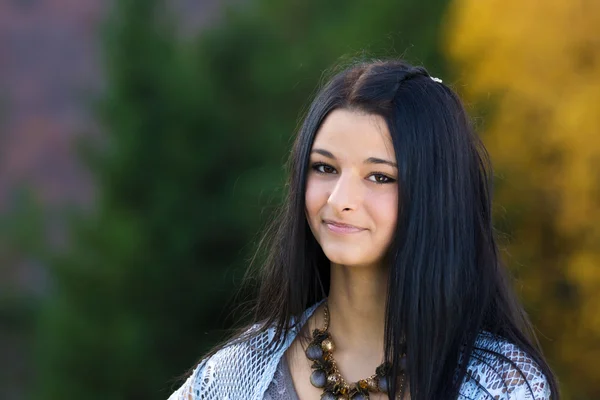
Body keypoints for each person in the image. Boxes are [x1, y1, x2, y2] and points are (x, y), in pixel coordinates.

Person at [168, 59, 560, 400]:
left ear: (435, 195)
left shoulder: (501, 387)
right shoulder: (237, 375)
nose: (339, 199)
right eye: (325, 168)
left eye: (379, 176)